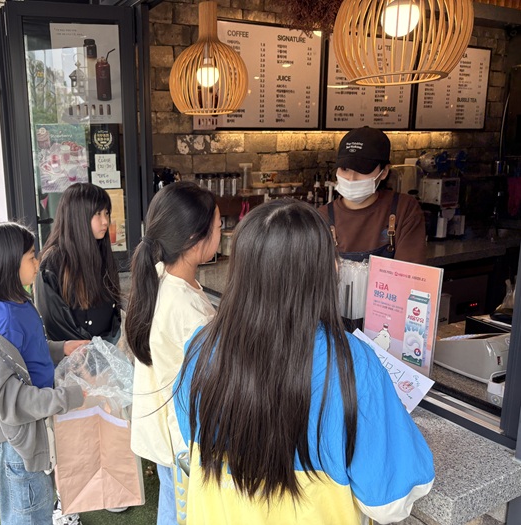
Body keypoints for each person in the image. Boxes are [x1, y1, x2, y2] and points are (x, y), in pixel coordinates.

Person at [174, 200, 435, 525]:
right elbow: (391, 500)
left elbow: (189, 440)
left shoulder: (199, 349)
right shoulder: (353, 364)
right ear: (326, 270)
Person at [0, 222, 85, 525]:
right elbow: (9, 400)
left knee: (39, 504)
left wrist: (62, 348)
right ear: (7, 266)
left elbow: (30, 353)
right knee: (29, 514)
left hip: (31, 427)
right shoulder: (2, 322)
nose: (38, 263)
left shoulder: (20, 304)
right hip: (15, 440)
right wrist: (69, 397)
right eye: (31, 257)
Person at [125, 181, 221, 525]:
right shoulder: (186, 310)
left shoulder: (161, 276)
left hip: (163, 428)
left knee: (172, 502)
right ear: (195, 238)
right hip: (181, 437)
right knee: (182, 512)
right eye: (218, 226)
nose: (221, 232)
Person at [318, 126, 426, 264]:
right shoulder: (321, 218)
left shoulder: (404, 209)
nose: (351, 178)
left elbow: (409, 272)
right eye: (345, 169)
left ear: (384, 171)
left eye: (362, 170)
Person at [36, 183, 121, 345]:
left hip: (105, 350)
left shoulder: (101, 252)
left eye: (107, 213)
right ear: (78, 217)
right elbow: (55, 324)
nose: (105, 221)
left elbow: (113, 310)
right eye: (97, 214)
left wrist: (105, 347)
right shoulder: (53, 262)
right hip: (74, 354)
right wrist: (89, 350)